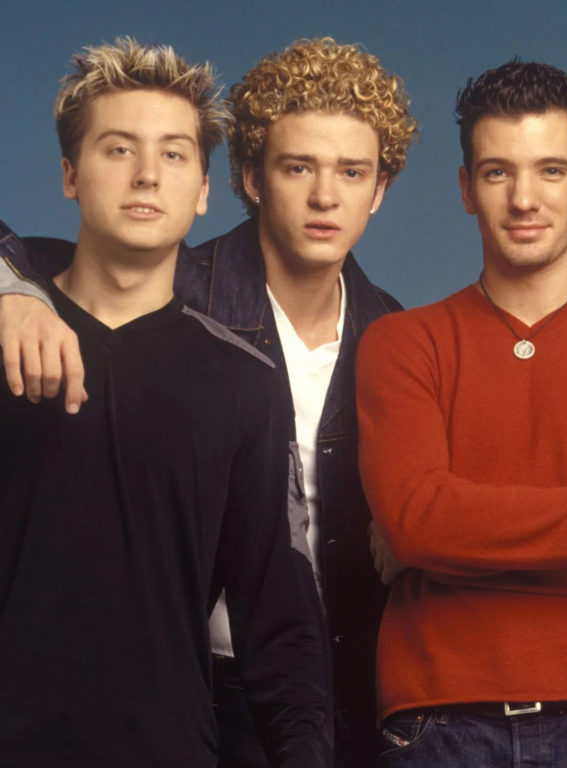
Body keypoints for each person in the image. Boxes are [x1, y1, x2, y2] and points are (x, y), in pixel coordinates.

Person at [0, 37, 416, 767]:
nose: (146, 176)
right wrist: (11, 289)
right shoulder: (30, 315)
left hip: (233, 711)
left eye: (173, 154)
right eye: (118, 150)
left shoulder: (362, 347)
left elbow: (279, 601)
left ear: (200, 188)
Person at [355, 60, 567, 767]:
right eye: (497, 172)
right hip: (436, 720)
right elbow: (417, 521)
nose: (523, 199)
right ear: (465, 188)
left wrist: (457, 544)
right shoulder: (401, 343)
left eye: (550, 170)